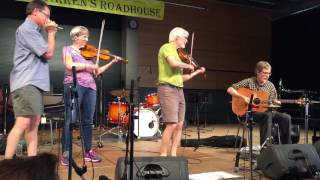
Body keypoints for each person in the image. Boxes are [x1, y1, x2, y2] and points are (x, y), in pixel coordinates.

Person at [5, 0, 58, 159]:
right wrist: (51, 33)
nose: (48, 19)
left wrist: (47, 32)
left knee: (33, 124)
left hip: (32, 83)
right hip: (27, 82)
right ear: (35, 11)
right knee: (22, 123)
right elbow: (48, 54)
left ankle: (32, 162)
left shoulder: (34, 30)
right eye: (46, 15)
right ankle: (7, 165)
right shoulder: (27, 28)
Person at [61, 26, 120, 165]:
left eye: (87, 37)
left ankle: (88, 151)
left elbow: (97, 71)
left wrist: (111, 62)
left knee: (88, 121)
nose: (87, 39)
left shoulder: (90, 54)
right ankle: (66, 152)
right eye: (84, 36)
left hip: (90, 87)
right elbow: (69, 65)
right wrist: (89, 66)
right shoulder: (67, 49)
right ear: (75, 37)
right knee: (71, 119)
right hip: (74, 85)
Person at [157, 27, 206, 156]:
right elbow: (173, 64)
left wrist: (197, 71)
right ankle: (163, 154)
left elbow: (184, 77)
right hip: (167, 88)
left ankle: (173, 154)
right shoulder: (166, 47)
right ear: (177, 38)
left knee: (179, 125)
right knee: (171, 124)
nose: (186, 41)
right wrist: (187, 65)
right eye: (185, 38)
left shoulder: (180, 55)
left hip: (179, 90)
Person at [227, 61, 292, 145]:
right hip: (249, 112)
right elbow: (230, 89)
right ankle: (265, 148)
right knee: (267, 116)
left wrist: (275, 103)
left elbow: (273, 104)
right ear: (257, 72)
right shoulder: (249, 81)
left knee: (286, 117)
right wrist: (243, 97)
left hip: (265, 111)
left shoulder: (270, 86)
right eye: (264, 73)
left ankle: (287, 146)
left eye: (269, 73)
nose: (267, 76)